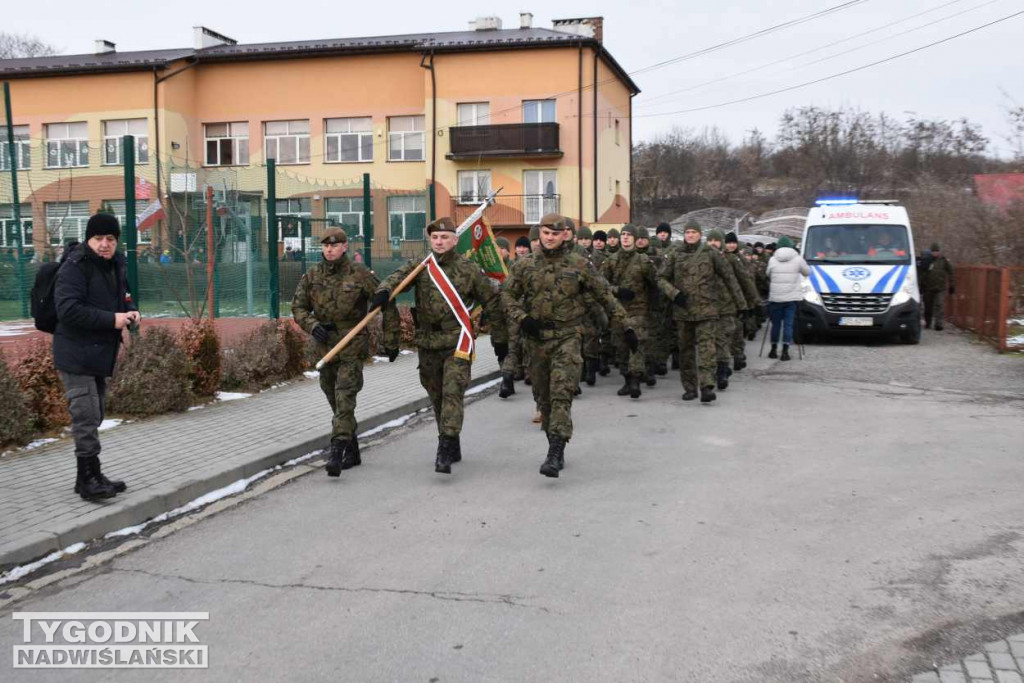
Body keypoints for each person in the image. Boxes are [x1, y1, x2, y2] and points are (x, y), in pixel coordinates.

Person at [502, 213, 633, 478]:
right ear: (540, 234)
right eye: (546, 233)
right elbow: (507, 295)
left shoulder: (579, 264)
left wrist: (626, 325)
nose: (550, 238)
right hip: (536, 340)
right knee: (544, 397)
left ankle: (556, 452)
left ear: (565, 235)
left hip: (568, 337)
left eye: (555, 234)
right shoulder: (525, 265)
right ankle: (554, 441)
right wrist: (522, 318)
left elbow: (604, 295)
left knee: (561, 392)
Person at [374, 217, 508, 474]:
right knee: (436, 394)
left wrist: (500, 340)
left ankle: (445, 445)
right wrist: (383, 290)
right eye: (435, 238)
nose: (439, 241)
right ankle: (451, 437)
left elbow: (491, 301)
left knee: (452, 393)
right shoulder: (421, 267)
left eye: (445, 237)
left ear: (455, 240)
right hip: (428, 342)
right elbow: (394, 280)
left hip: (457, 340)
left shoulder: (469, 269)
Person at [293, 227, 398, 477]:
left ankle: (336, 451)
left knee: (345, 397)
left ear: (344, 247)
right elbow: (298, 307)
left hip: (352, 343)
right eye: (326, 246)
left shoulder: (360, 274)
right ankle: (352, 449)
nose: (330, 249)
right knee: (332, 396)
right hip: (325, 344)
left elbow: (387, 301)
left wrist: (392, 340)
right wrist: (312, 325)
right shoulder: (312, 275)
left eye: (335, 245)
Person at [54, 214, 139, 501]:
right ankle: (89, 478)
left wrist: (131, 311)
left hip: (99, 353)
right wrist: (112, 320)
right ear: (89, 240)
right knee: (86, 416)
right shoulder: (74, 267)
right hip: (75, 353)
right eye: (99, 239)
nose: (105, 244)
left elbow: (124, 297)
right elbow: (68, 310)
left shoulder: (115, 265)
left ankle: (88, 476)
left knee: (96, 412)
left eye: (110, 239)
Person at [657, 220, 744, 404]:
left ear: (699, 234)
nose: (690, 235)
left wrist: (742, 304)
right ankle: (690, 388)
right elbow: (661, 278)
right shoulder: (675, 253)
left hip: (707, 310)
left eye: (693, 232)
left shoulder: (710, 254)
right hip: (683, 311)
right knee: (686, 351)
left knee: (707, 349)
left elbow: (729, 278)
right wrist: (674, 294)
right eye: (687, 232)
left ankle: (706, 386)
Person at [602, 224, 659, 396]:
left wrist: (653, 307)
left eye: (629, 235)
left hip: (638, 310)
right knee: (621, 347)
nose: (625, 237)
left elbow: (655, 282)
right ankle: (627, 379)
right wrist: (617, 291)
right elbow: (600, 285)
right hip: (618, 311)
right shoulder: (611, 261)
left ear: (635, 239)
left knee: (636, 344)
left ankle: (635, 380)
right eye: (623, 234)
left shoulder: (643, 261)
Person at [705, 230, 750, 391]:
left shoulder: (731, 259)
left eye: (716, 240)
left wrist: (746, 305)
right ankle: (717, 370)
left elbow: (742, 282)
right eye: (710, 240)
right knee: (709, 343)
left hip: (726, 307)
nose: (713, 243)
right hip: (707, 307)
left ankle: (722, 371)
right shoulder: (702, 259)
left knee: (722, 340)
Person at [722, 232, 762, 372]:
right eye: (728, 242)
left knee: (737, 331)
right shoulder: (721, 258)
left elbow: (747, 281)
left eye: (733, 242)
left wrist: (753, 302)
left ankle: (738, 356)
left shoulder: (740, 259)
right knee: (724, 334)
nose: (731, 245)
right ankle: (725, 361)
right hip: (724, 301)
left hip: (739, 300)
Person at [765, 236, 809, 360]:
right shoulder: (798, 259)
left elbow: (768, 274)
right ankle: (785, 352)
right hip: (791, 299)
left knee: (776, 325)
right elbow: (807, 272)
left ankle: (773, 350)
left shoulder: (773, 259)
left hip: (776, 298)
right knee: (788, 325)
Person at [922, 242, 954, 330]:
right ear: (931, 252)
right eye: (933, 251)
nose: (935, 252)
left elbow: (951, 272)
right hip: (928, 287)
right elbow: (922, 273)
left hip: (940, 287)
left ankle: (938, 324)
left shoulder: (943, 260)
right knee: (928, 307)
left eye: (936, 251)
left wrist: (952, 285)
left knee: (939, 305)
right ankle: (928, 322)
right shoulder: (927, 260)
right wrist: (921, 285)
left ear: (939, 251)